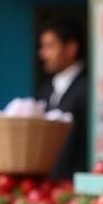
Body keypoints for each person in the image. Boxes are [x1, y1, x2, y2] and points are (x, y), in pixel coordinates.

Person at [36, 16, 88, 181]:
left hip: (79, 187)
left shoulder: (89, 87)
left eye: (50, 46)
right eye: (42, 46)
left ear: (71, 48)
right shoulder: (45, 90)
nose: (43, 53)